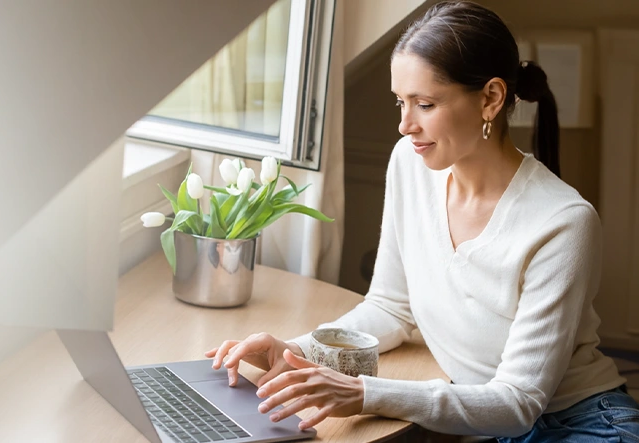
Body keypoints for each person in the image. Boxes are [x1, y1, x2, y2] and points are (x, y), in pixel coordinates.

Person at [206, 1, 639, 441]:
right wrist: (299, 350)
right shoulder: (411, 165)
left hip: (578, 423)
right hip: (480, 420)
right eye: (400, 102)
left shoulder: (563, 222)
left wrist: (362, 393)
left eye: (425, 104)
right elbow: (391, 307)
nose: (404, 125)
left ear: (490, 98)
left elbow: (518, 403)